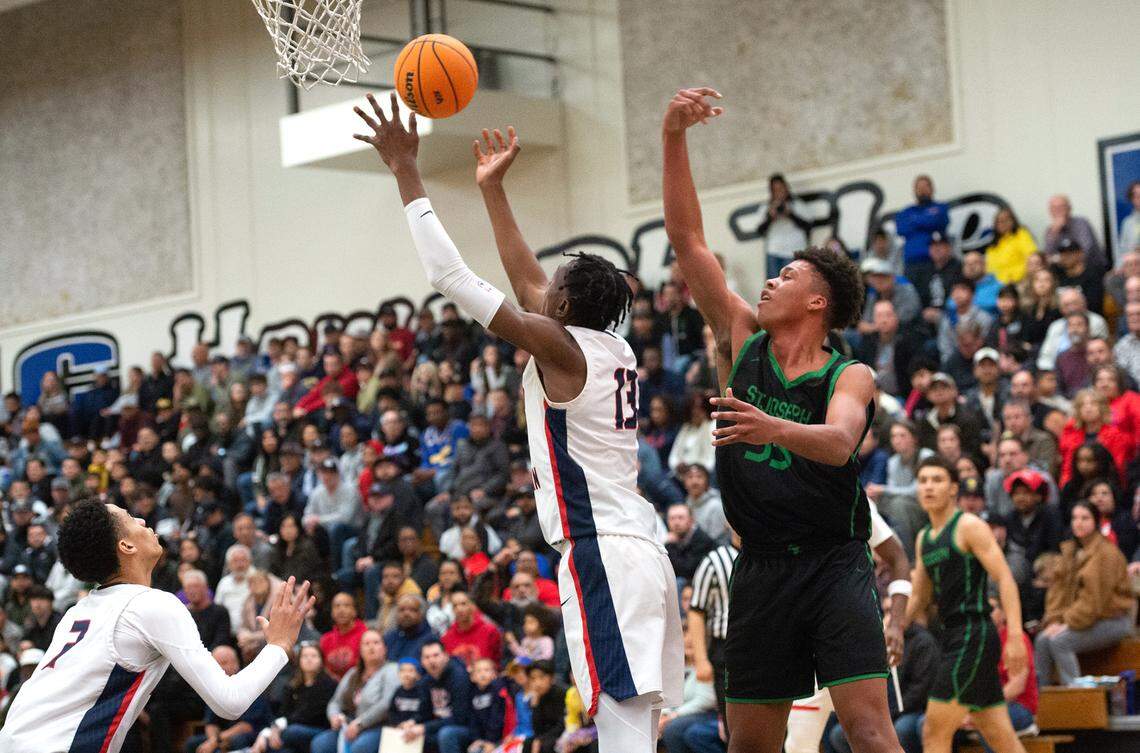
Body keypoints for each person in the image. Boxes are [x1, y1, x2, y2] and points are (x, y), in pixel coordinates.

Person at [354, 92, 682, 751]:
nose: (540, 285)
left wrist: (405, 171)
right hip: (639, 551)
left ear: (564, 305)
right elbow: (529, 282)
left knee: (620, 729)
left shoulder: (561, 347)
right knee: (636, 727)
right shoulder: (608, 347)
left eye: (553, 285)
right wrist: (492, 190)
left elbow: (449, 274)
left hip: (603, 552)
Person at [663, 88, 900, 753]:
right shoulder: (741, 337)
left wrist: (770, 427)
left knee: (870, 730)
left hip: (833, 562)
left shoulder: (848, 374)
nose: (769, 281)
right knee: (749, 744)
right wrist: (673, 135)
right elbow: (686, 240)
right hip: (761, 567)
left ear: (818, 299)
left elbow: (836, 442)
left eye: (787, 274)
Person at [0, 501, 313, 753]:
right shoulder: (150, 604)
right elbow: (229, 701)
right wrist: (279, 646)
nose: (141, 520)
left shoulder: (76, 612)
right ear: (127, 546)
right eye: (129, 517)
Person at [907, 457, 1027, 753]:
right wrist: (893, 628)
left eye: (937, 480)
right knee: (1001, 738)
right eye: (923, 481)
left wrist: (1014, 635)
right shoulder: (925, 538)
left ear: (953, 489)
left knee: (933, 729)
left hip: (974, 632)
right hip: (952, 636)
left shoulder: (969, 526)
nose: (929, 487)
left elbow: (1005, 579)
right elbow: (919, 596)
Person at [1034, 501, 1134, 686]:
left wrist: (1067, 623)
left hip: (1112, 620)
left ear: (1095, 522)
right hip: (1085, 619)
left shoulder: (1106, 554)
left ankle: (1076, 696)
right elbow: (1058, 592)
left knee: (1060, 641)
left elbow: (1094, 601)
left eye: (1085, 518)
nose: (1078, 523)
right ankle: (1042, 698)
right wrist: (1054, 620)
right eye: (1075, 518)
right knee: (1042, 640)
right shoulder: (1071, 551)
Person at [311, 629, 399, 753]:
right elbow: (335, 702)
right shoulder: (353, 673)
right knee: (320, 743)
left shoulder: (392, 669)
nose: (371, 647)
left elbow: (386, 703)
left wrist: (360, 724)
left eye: (376, 643)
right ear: (360, 650)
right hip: (348, 725)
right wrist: (334, 716)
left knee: (360, 747)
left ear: (385, 648)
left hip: (378, 726)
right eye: (366, 644)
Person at [182, 645, 274, 753]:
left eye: (223, 663)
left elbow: (246, 726)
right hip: (222, 736)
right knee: (192, 743)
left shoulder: (249, 683)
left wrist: (216, 740)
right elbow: (211, 722)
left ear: (235, 663)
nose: (218, 668)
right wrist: (212, 740)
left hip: (255, 734)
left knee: (238, 740)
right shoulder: (215, 686)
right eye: (215, 664)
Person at [757, 173, 812, 280]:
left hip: (795, 250)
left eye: (781, 188)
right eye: (775, 189)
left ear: (786, 187)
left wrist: (791, 214)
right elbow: (759, 230)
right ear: (771, 191)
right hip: (774, 252)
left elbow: (808, 226)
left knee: (795, 283)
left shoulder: (797, 204)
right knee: (774, 283)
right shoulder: (765, 208)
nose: (779, 192)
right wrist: (770, 217)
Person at [894, 174, 950, 278]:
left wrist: (915, 220)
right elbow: (901, 229)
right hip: (911, 263)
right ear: (914, 191)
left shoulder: (940, 207)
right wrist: (926, 220)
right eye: (919, 188)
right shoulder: (906, 212)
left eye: (925, 187)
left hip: (934, 262)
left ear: (932, 189)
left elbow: (939, 221)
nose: (922, 190)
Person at [1043, 195, 1105, 271]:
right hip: (1065, 272)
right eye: (1054, 208)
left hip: (1091, 268)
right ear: (1050, 211)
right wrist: (1055, 233)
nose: (1058, 210)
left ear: (1069, 208)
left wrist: (1061, 259)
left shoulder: (1081, 223)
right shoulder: (1050, 230)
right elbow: (1047, 257)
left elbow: (1086, 250)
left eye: (1061, 207)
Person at [985, 207, 1038, 284]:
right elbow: (989, 269)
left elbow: (1032, 258)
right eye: (999, 221)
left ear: (1013, 221)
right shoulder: (993, 245)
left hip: (1019, 281)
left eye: (1006, 220)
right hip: (997, 285)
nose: (1003, 223)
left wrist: (1018, 278)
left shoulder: (1021, 234)